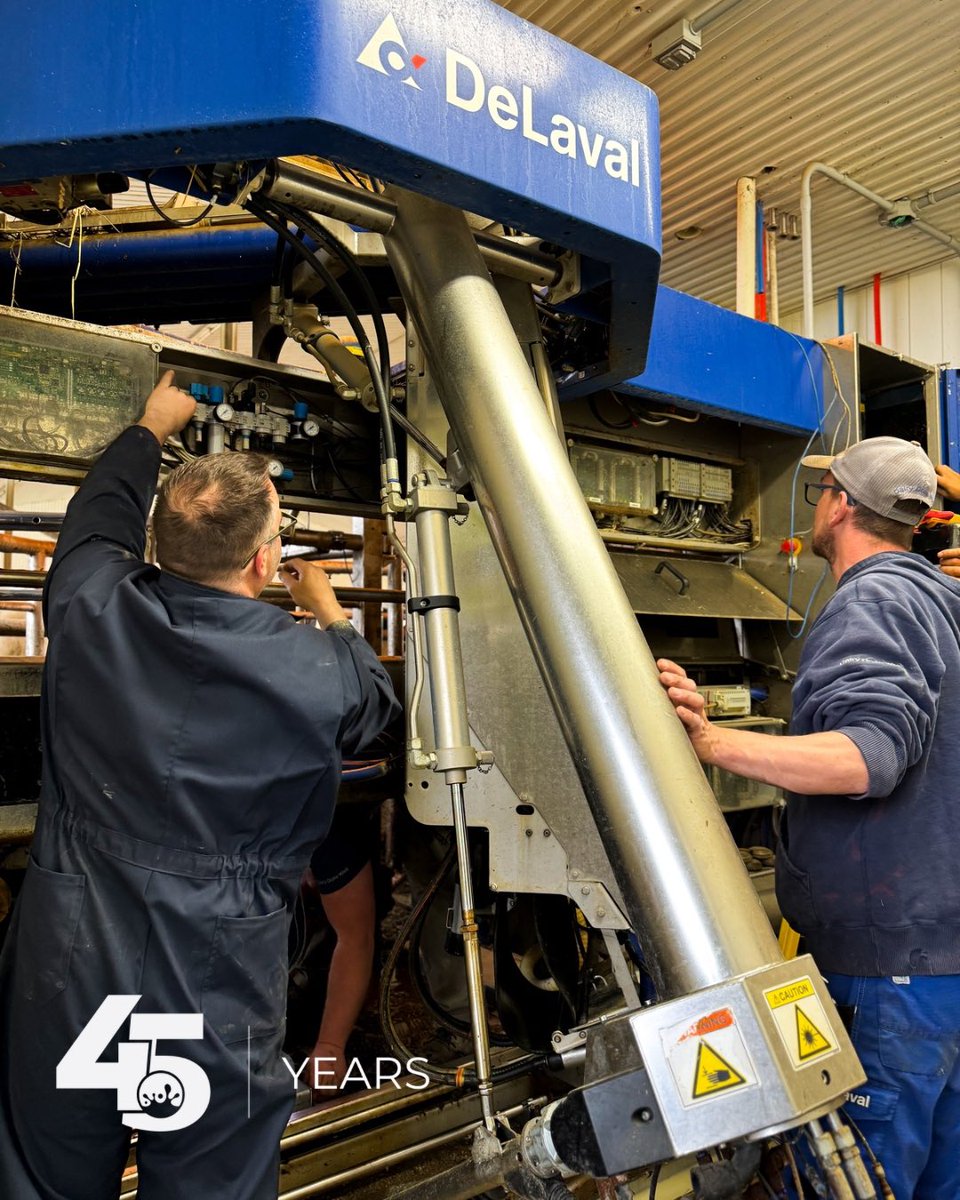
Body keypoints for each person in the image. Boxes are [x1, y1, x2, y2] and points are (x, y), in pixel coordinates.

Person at [0, 371, 401, 1200]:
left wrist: (150, 427)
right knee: (211, 1180)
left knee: (46, 1178)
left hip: (74, 953)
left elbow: (97, 517)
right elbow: (377, 708)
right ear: (264, 559)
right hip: (216, 968)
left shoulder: (91, 601)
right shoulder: (319, 670)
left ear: (155, 546)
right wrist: (330, 610)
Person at [658, 436, 960, 1200]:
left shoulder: (873, 601)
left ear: (840, 505)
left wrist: (711, 742)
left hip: (888, 975)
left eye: (822, 491)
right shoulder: (944, 602)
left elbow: (868, 757)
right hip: (941, 968)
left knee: (852, 1179)